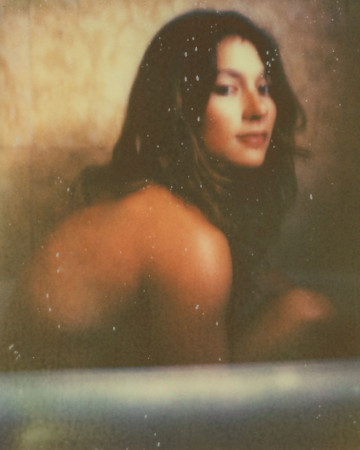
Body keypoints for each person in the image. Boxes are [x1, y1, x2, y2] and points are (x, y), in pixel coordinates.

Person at [1, 10, 335, 371]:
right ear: (179, 105)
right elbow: (199, 406)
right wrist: (292, 318)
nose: (258, 109)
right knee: (304, 313)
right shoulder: (186, 235)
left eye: (264, 87)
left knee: (294, 302)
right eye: (226, 88)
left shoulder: (151, 204)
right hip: (32, 405)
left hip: (63, 396)